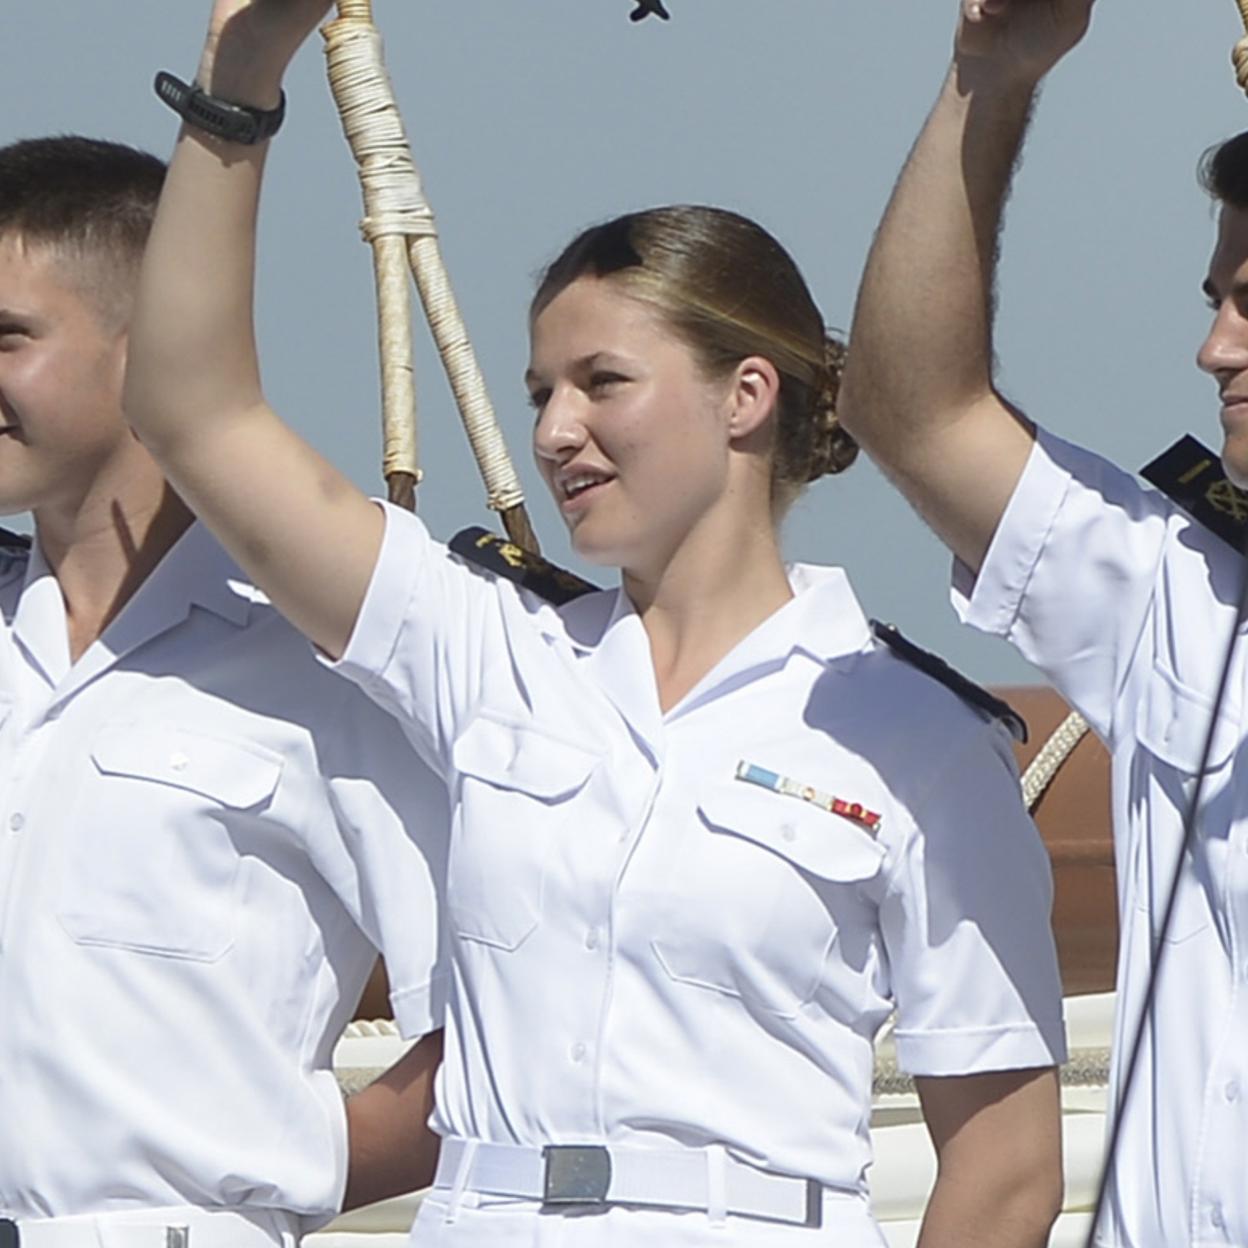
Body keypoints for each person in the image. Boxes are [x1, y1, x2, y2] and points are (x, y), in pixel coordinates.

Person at [123, 2, 1069, 1243]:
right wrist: (239, 72)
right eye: (538, 394)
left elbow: (1004, 1167)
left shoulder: (916, 739)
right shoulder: (487, 654)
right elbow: (194, 415)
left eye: (601, 383)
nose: (555, 431)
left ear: (746, 395)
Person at [836, 0, 1248, 1243]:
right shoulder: (1172, 591)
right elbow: (908, 411)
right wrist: (991, 77)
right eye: (1218, 297)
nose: (1212, 346)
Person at [0, 134, 449, 1247]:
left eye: (5, 339)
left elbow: (508, 1013)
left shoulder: (328, 669)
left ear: (146, 346)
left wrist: (283, 1165)